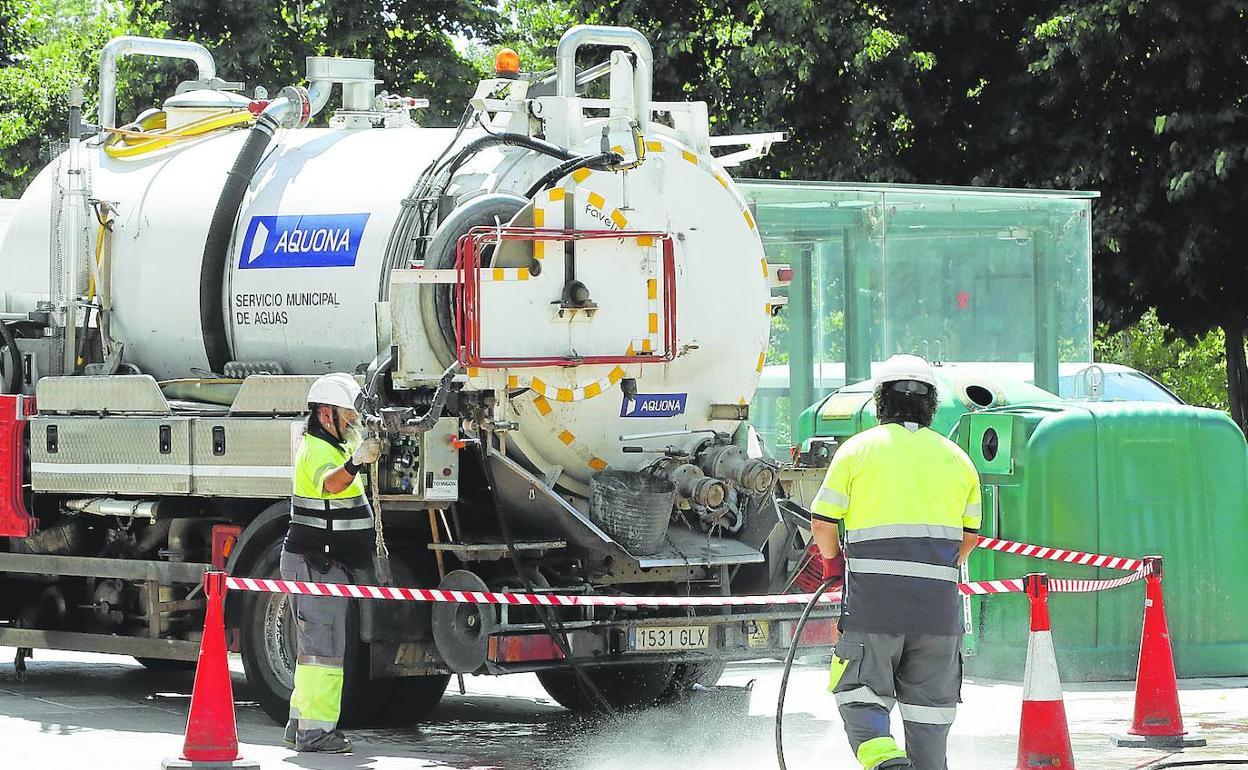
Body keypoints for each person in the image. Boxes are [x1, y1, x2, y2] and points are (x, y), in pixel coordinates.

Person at [810, 354, 981, 770]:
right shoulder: (958, 460)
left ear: (880, 402)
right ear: (931, 407)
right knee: (929, 720)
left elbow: (822, 523)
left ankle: (887, 763)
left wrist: (833, 564)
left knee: (858, 696)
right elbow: (970, 538)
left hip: (874, 610)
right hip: (939, 617)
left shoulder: (857, 451)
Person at [281, 373, 382, 754]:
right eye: (347, 414)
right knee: (323, 653)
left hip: (322, 563)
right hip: (314, 565)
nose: (353, 420)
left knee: (314, 652)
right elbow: (334, 484)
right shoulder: (318, 451)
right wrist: (357, 462)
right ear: (326, 415)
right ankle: (316, 734)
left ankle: (299, 726)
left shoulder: (335, 444)